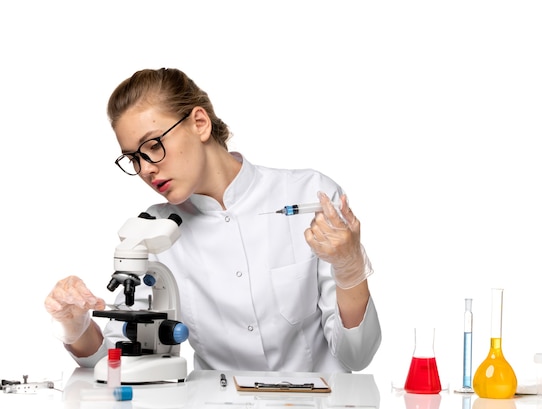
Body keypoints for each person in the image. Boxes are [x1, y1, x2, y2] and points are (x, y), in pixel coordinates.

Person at [44, 67, 381, 373]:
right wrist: (75, 326)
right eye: (133, 158)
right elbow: (116, 359)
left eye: (153, 146)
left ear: (199, 123)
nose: (146, 168)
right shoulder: (156, 231)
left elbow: (357, 355)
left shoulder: (310, 195)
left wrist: (350, 270)